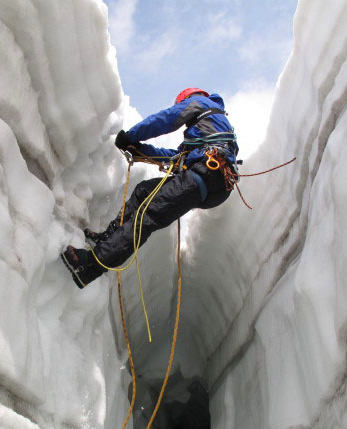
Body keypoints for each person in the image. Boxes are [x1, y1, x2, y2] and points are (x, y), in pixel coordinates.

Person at [61, 87, 239, 288]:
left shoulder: (200, 103)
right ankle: (109, 238)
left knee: (146, 217)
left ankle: (91, 266)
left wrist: (131, 136)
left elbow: (166, 119)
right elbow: (175, 157)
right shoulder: (209, 127)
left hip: (205, 173)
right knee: (144, 191)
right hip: (211, 181)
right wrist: (138, 151)